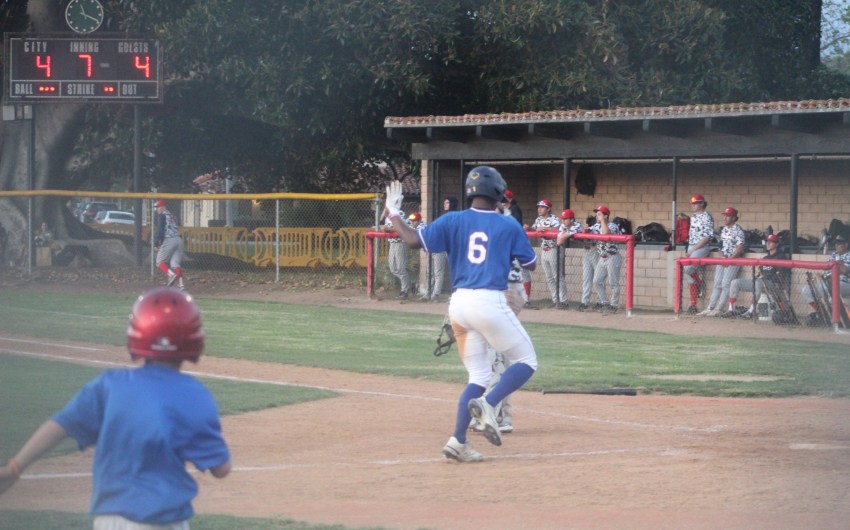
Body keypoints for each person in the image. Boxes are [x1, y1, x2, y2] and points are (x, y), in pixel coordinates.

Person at [0, 288, 231, 528]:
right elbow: (221, 469)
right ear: (194, 337)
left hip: (108, 521)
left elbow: (61, 424)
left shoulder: (110, 385)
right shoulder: (195, 396)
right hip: (161, 522)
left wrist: (15, 467)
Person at [384, 166, 538, 462]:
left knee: (478, 374)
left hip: (458, 304)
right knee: (527, 361)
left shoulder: (452, 219)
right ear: (497, 192)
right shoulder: (508, 224)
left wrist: (393, 214)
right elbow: (530, 263)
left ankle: (458, 441)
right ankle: (489, 405)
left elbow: (413, 240)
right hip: (489, 301)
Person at [722, 233, 789, 318]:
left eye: (771, 242)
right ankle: (731, 310)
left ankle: (751, 311)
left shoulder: (781, 257)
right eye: (767, 241)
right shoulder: (765, 258)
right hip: (760, 283)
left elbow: (781, 275)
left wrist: (765, 279)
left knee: (758, 283)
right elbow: (759, 273)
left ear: (776, 244)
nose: (768, 243)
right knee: (735, 282)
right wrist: (757, 277)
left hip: (773, 285)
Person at [700, 207, 747, 316]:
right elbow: (720, 246)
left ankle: (719, 309)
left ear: (734, 218)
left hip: (733, 261)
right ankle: (710, 308)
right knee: (717, 283)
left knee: (726, 284)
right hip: (723, 260)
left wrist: (730, 260)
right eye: (724, 215)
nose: (725, 218)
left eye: (728, 216)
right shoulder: (724, 229)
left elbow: (739, 248)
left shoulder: (738, 230)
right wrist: (722, 257)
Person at [802, 233, 850, 325]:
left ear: (846, 244)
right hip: (829, 283)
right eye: (836, 243)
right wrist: (838, 263)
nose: (836, 245)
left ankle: (839, 322)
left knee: (831, 292)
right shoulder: (834, 254)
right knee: (807, 290)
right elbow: (824, 266)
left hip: (845, 283)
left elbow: (845, 270)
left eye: (839, 243)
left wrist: (837, 264)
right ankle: (823, 314)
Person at [524, 199, 561, 308]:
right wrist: (528, 228)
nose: (539, 209)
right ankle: (555, 300)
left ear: (548, 209)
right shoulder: (538, 219)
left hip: (554, 249)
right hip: (544, 249)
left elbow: (558, 229)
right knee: (549, 277)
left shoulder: (554, 219)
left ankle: (562, 300)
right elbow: (534, 230)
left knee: (557, 276)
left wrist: (544, 228)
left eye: (542, 207)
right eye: (539, 207)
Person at [684, 194, 715, 313]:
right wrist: (690, 248)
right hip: (691, 245)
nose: (693, 205)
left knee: (688, 269)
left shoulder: (707, 216)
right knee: (688, 271)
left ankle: (699, 283)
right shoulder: (693, 216)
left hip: (702, 247)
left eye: (695, 203)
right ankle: (693, 304)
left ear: (702, 203)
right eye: (692, 203)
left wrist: (693, 250)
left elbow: (707, 237)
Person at [588, 205, 622, 313]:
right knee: (597, 281)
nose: (597, 216)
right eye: (597, 214)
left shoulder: (613, 226)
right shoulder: (596, 226)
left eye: (599, 214)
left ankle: (614, 305)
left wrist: (602, 220)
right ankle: (605, 303)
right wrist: (585, 229)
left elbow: (606, 232)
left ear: (606, 216)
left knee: (613, 283)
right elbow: (587, 232)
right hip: (602, 258)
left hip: (613, 257)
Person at [428, 197, 458, 300]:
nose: (445, 204)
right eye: (444, 203)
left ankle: (452, 293)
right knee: (435, 271)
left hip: (452, 247)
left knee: (454, 270)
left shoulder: (455, 216)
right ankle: (432, 292)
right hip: (442, 246)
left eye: (447, 203)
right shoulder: (444, 216)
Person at [380, 203, 412, 299]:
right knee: (393, 268)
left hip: (401, 242)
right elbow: (387, 228)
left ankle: (405, 291)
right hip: (392, 243)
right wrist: (384, 228)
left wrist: (388, 229)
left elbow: (403, 228)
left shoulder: (399, 214)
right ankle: (410, 284)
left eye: (387, 207)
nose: (385, 209)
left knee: (401, 268)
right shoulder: (388, 217)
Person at [154, 199, 186, 291]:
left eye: (158, 207)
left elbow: (160, 230)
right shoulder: (173, 216)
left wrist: (157, 242)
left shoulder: (162, 216)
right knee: (175, 264)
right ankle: (181, 285)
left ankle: (171, 275)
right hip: (178, 240)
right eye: (157, 207)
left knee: (159, 262)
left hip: (169, 239)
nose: (157, 209)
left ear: (164, 207)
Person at [554, 209, 583, 309]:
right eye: (562, 219)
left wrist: (564, 235)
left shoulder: (577, 225)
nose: (563, 221)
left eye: (565, 219)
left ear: (572, 219)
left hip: (593, 248)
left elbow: (561, 239)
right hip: (585, 248)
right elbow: (559, 240)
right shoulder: (563, 225)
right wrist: (565, 234)